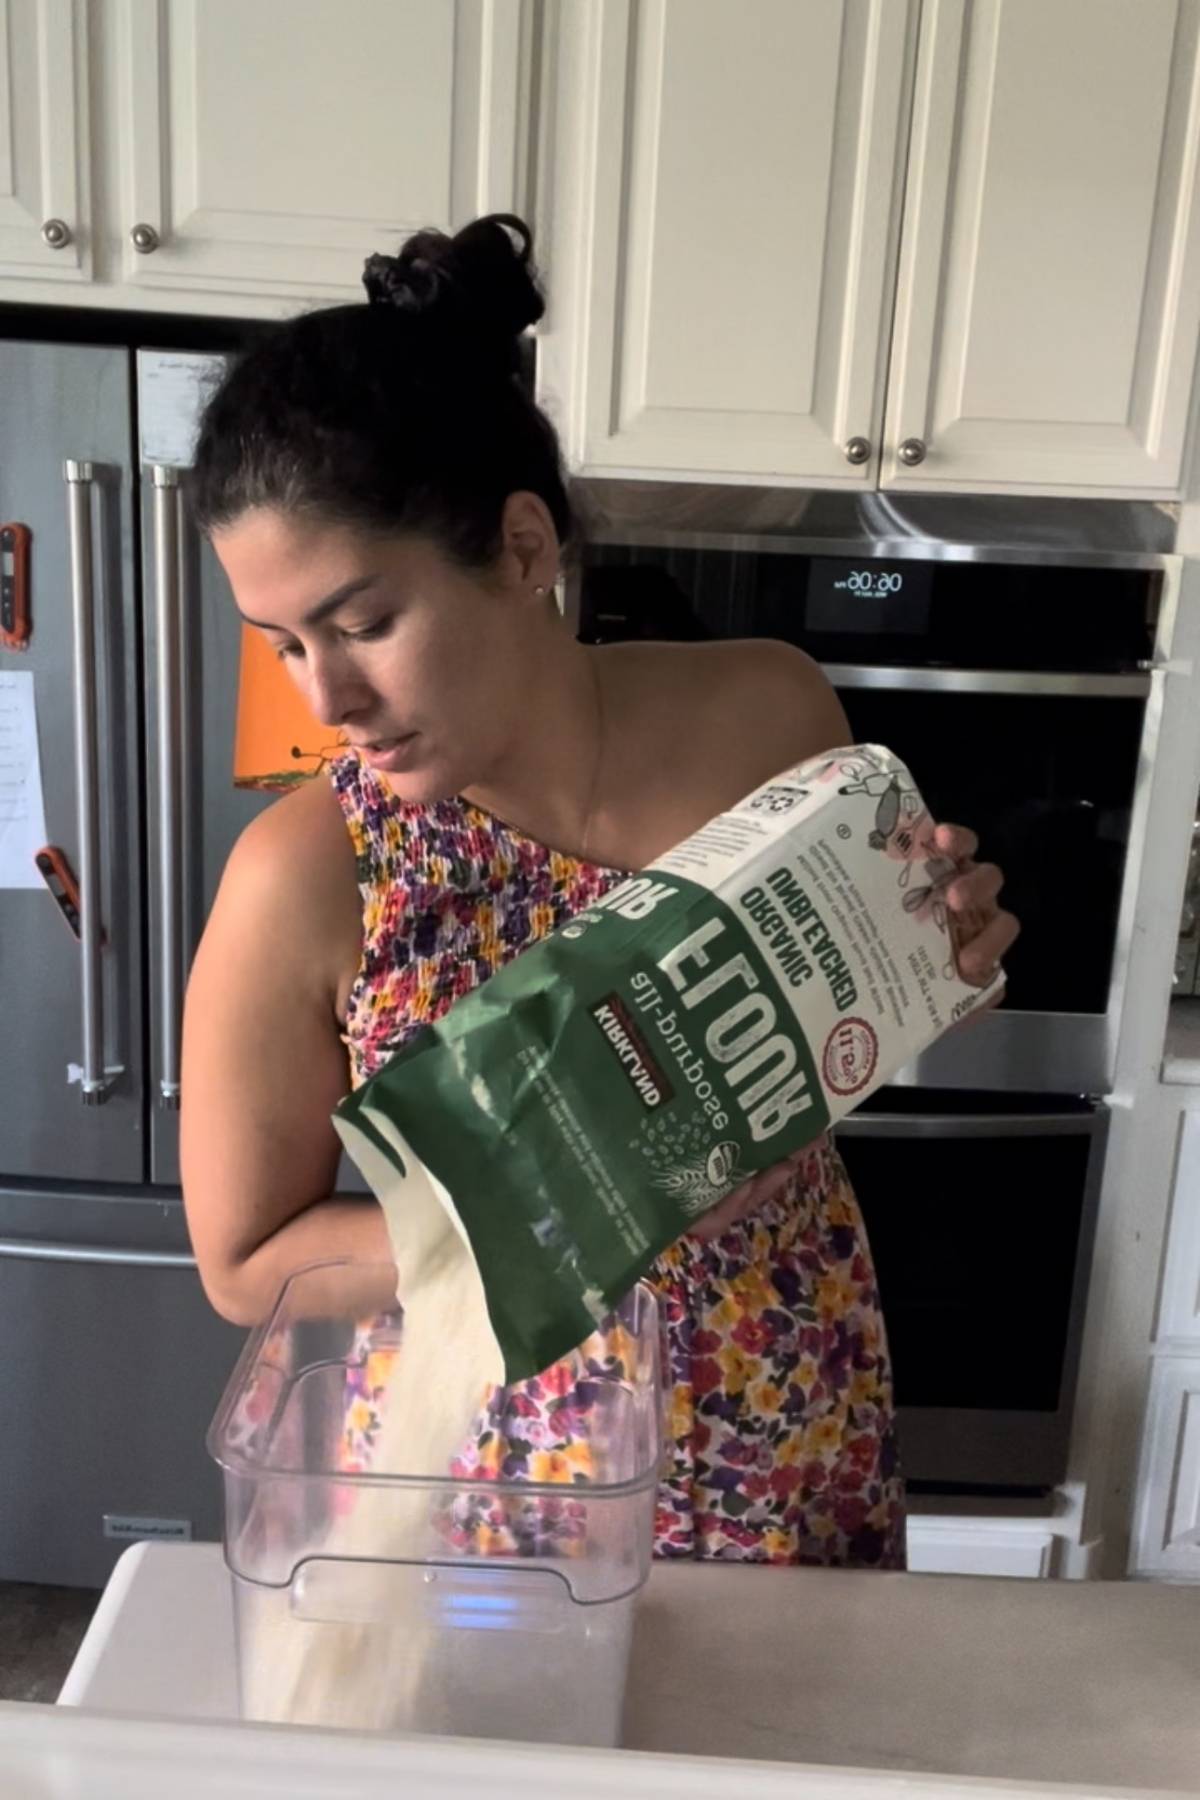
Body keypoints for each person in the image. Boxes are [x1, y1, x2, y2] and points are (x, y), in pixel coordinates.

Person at [181, 214, 1018, 1567]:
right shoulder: (305, 876)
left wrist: (942, 960)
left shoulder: (770, 710)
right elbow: (246, 1265)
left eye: (362, 622)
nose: (326, 700)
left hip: (784, 1437)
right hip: (494, 1518)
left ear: (521, 549)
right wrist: (575, 1206)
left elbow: (844, 1032)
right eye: (283, 645)